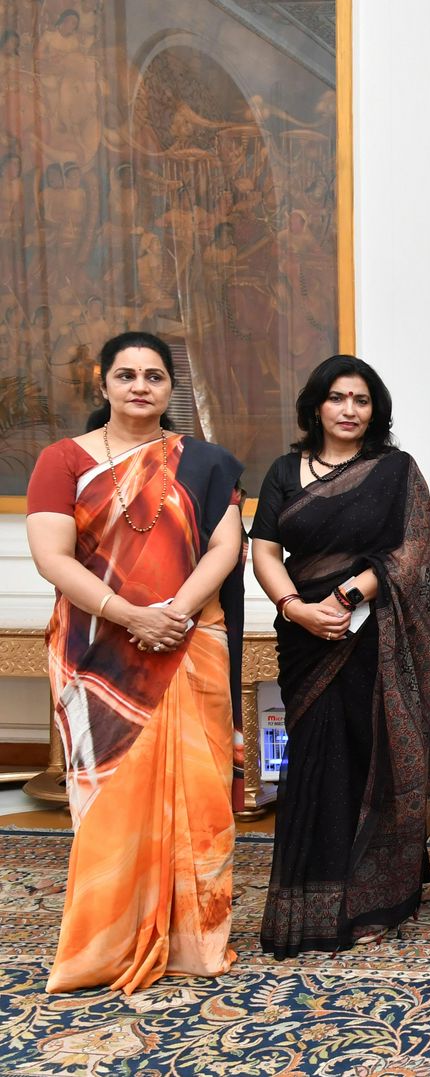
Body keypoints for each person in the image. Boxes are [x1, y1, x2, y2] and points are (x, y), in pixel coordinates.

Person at [26, 331, 245, 994]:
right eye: (127, 375)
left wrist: (174, 611)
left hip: (190, 640)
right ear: (103, 383)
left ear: (170, 387)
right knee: (109, 801)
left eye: (154, 376)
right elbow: (52, 557)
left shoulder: (206, 463)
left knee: (200, 792)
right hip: (99, 652)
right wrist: (132, 615)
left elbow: (225, 546)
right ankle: (104, 943)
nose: (141, 386)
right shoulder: (64, 460)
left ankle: (194, 940)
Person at [250, 354, 430, 958]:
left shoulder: (396, 471)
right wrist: (295, 608)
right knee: (314, 761)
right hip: (305, 637)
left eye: (361, 399)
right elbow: (265, 551)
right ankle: (310, 902)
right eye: (337, 398)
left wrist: (348, 594)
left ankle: (374, 900)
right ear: (317, 406)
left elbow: (413, 552)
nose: (349, 410)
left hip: (372, 635)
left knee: (370, 757)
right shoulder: (284, 471)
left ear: (375, 410)